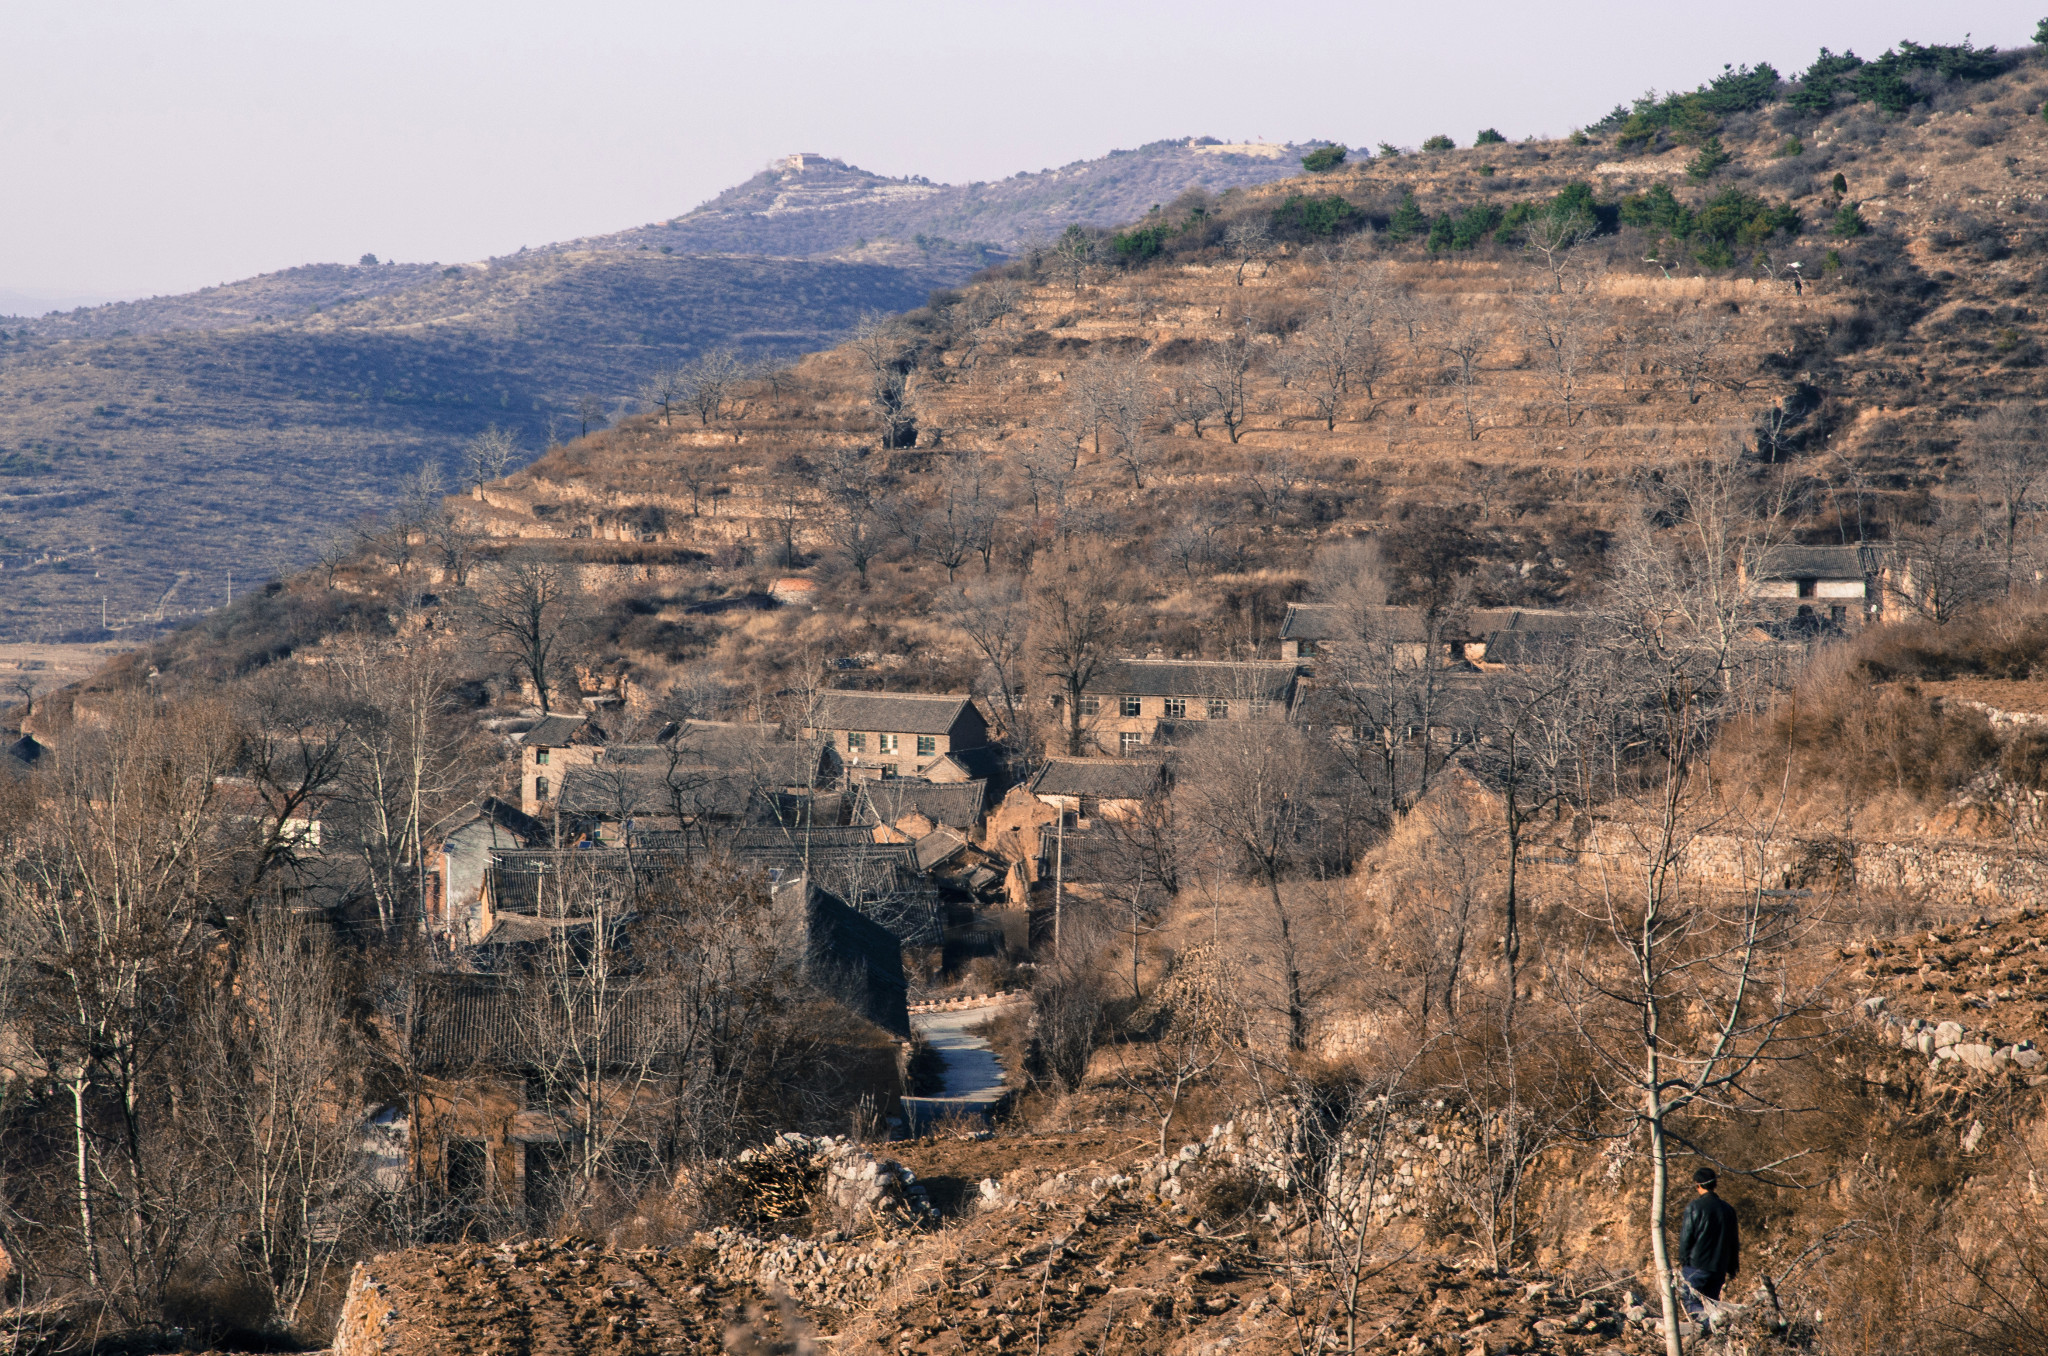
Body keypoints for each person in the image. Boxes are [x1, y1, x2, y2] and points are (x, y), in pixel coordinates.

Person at [1677, 1167, 1740, 1327]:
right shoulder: (1728, 1209)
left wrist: (1683, 1259)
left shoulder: (1694, 1207)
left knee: (1692, 1300)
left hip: (1696, 1264)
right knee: (1712, 1303)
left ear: (1698, 1185)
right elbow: (1733, 1240)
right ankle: (1712, 1335)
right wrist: (1732, 1266)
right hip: (1719, 1266)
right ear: (1714, 1185)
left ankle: (1703, 1330)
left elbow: (1686, 1237)